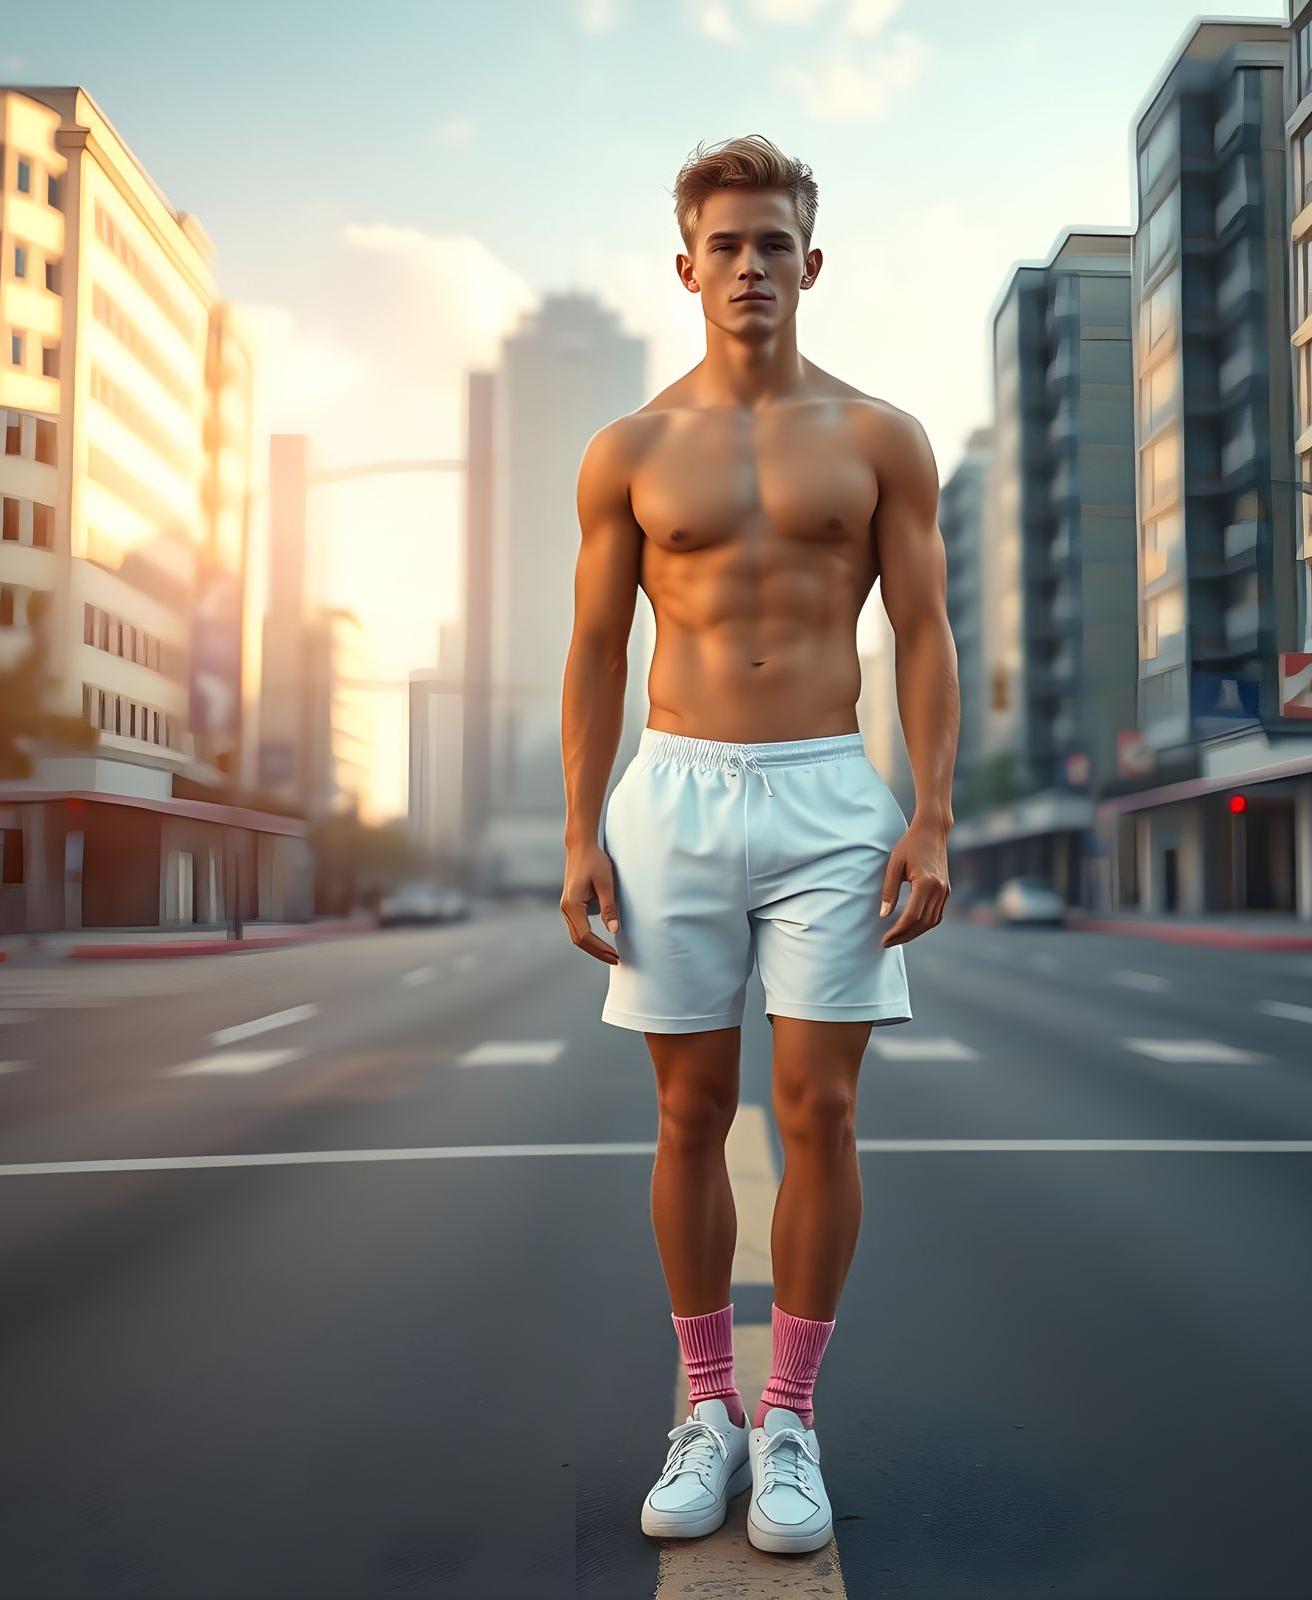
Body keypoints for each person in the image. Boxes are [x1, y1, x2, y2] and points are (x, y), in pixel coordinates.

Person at [559, 133, 959, 1556]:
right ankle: (705, 1410)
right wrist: (579, 830)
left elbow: (923, 633)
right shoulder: (631, 450)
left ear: (812, 260)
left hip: (827, 795)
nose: (749, 266)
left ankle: (788, 1417)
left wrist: (931, 812)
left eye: (772, 243)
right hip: (670, 790)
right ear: (686, 266)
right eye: (723, 245)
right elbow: (598, 646)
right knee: (683, 1115)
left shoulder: (877, 438)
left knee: (821, 1117)